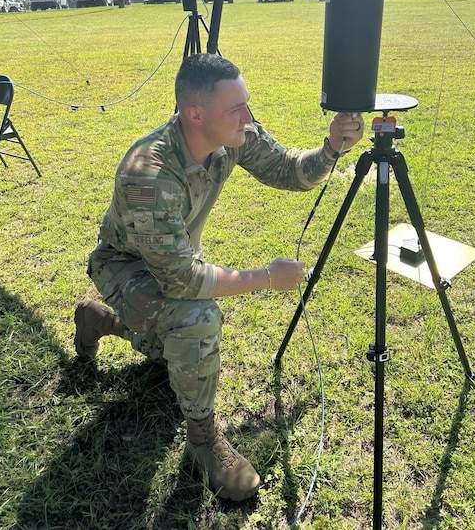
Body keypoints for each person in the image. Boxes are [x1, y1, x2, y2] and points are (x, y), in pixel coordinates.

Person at [74, 52, 364, 502]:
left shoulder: (232, 133)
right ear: (196, 114)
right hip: (125, 265)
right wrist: (267, 277)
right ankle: (203, 441)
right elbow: (183, 282)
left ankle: (100, 321)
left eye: (246, 104)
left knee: (168, 348)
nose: (248, 117)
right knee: (196, 320)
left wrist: (331, 149)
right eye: (237, 108)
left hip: (173, 262)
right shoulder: (147, 175)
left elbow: (288, 169)